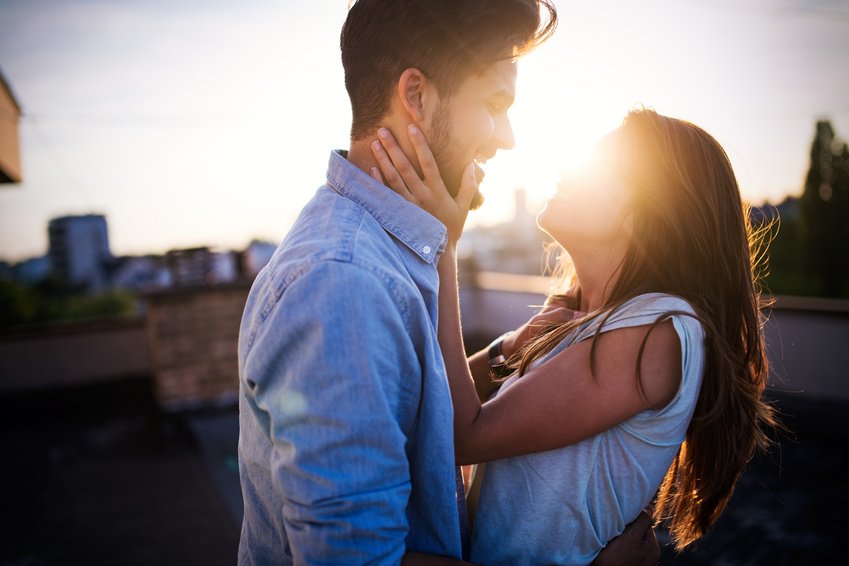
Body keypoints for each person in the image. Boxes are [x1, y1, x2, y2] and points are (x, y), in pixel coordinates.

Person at [237, 0, 661, 564]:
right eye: (493, 104)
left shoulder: (379, 257)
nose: (506, 136)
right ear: (415, 95)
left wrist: (501, 343)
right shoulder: (344, 284)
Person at [370, 107, 778, 564]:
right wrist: (509, 350)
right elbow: (439, 402)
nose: (569, 169)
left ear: (648, 209)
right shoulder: (583, 319)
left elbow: (459, 433)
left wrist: (441, 246)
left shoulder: (662, 331)